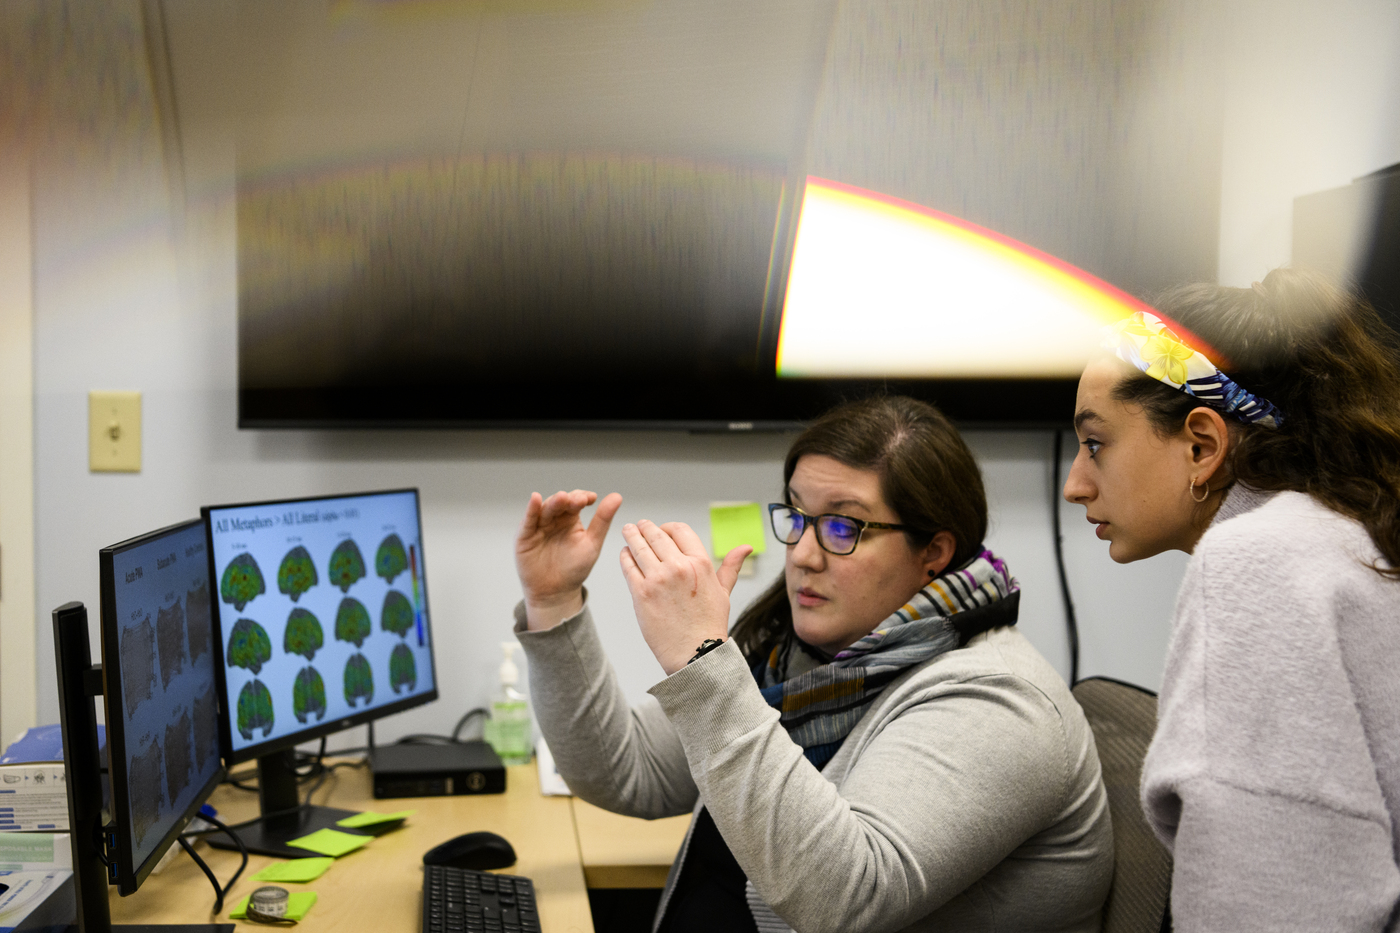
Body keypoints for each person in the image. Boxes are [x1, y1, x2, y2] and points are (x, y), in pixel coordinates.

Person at [514, 396, 1112, 933]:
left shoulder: (996, 701)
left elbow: (844, 900)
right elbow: (628, 772)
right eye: (797, 516)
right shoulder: (803, 655)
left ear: (933, 552)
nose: (802, 554)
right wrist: (553, 603)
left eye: (842, 526)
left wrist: (701, 662)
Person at [1063, 267, 1400, 930]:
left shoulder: (1260, 558)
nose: (1077, 482)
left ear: (1202, 444)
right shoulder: (1342, 539)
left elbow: (1272, 907)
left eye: (1096, 442)